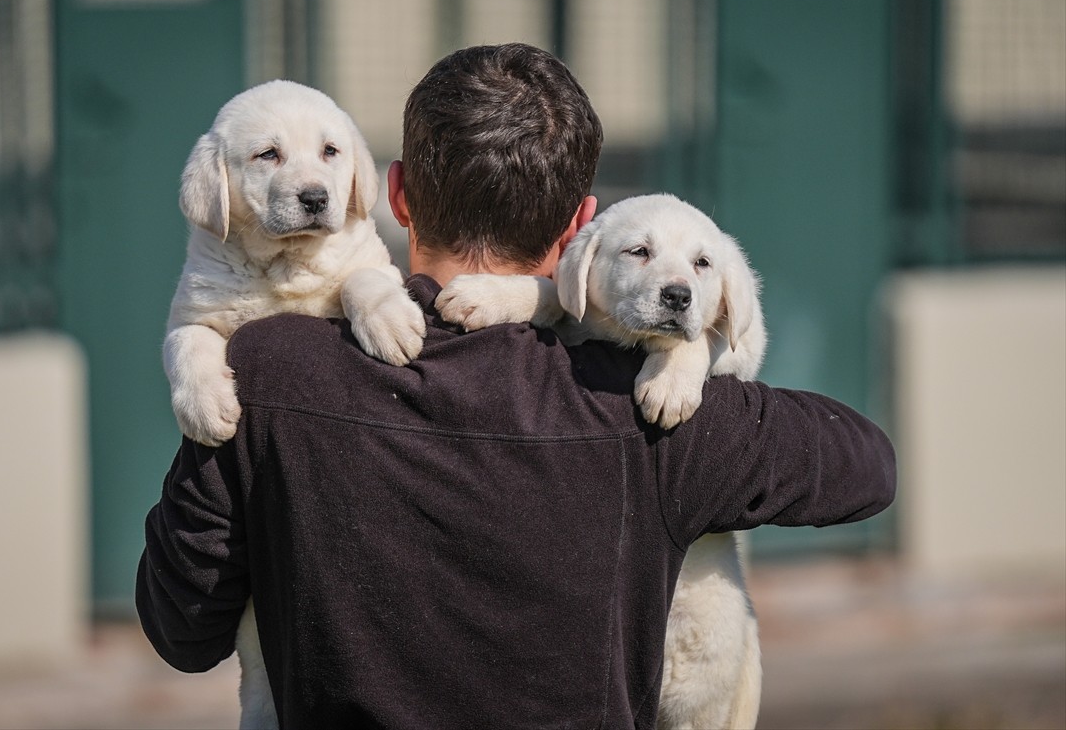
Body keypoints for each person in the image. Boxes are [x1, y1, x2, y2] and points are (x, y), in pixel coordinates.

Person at [136, 43, 896, 729]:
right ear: (581, 226)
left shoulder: (266, 374)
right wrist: (694, 354)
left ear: (395, 195)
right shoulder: (653, 413)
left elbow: (182, 629)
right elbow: (869, 466)